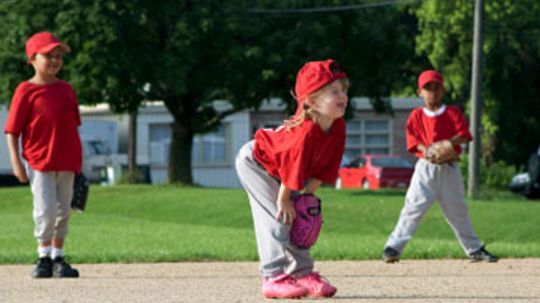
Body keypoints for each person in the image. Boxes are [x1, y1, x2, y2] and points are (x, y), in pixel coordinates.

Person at [235, 59, 349, 299]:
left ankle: (302, 274)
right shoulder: (306, 131)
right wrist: (286, 200)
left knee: (302, 219)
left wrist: (306, 199)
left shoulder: (338, 127)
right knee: (279, 218)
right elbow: (292, 168)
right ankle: (273, 276)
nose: (342, 96)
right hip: (256, 163)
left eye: (344, 90)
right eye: (334, 91)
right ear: (311, 101)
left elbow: (325, 169)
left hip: (285, 172)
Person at [382, 70, 498, 263]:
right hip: (426, 169)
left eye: (436, 88)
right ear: (420, 92)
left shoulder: (452, 113)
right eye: (427, 88)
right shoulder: (416, 116)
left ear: (443, 90)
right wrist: (427, 150)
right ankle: (393, 247)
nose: (432, 92)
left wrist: (448, 143)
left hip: (450, 169)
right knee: (413, 208)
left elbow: (464, 135)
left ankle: (474, 249)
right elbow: (414, 141)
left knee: (457, 210)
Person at [4, 32, 82, 278]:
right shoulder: (25, 90)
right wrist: (16, 163)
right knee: (45, 211)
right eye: (48, 55)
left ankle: (58, 258)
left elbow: (72, 127)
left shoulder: (67, 90)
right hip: (39, 161)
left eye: (59, 56)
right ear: (32, 59)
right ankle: (43, 257)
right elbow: (12, 131)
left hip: (68, 161)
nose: (55, 60)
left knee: (64, 211)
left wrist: (80, 163)